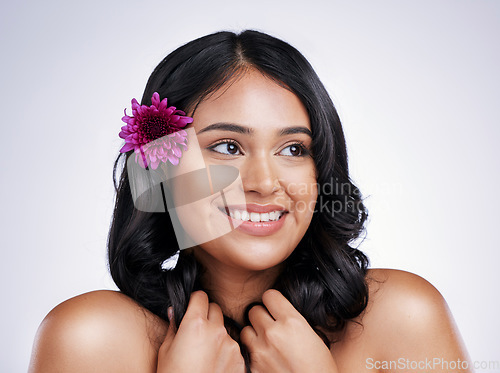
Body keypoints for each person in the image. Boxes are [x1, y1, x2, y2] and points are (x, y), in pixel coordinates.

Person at [28, 29, 471, 373]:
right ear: (159, 165)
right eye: (227, 147)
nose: (264, 182)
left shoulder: (403, 317)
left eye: (294, 149)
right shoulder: (90, 339)